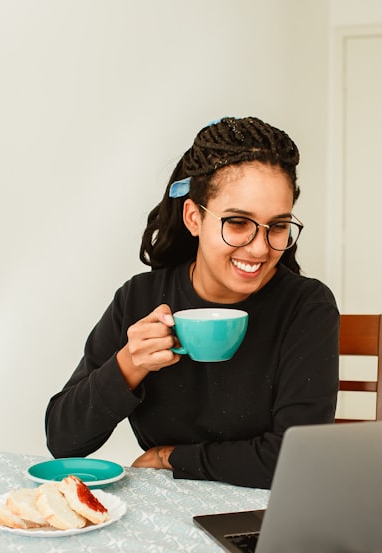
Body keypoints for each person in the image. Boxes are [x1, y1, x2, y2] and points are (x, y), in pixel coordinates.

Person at [44, 117, 340, 488]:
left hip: (262, 514)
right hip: (162, 513)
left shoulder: (306, 307)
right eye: (237, 222)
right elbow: (63, 440)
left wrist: (171, 458)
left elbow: (298, 459)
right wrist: (127, 366)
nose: (261, 247)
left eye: (277, 226)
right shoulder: (140, 298)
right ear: (193, 217)